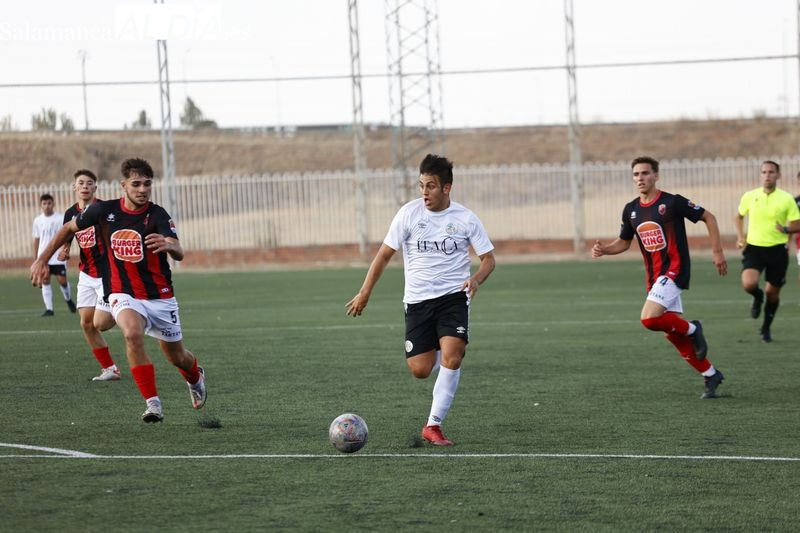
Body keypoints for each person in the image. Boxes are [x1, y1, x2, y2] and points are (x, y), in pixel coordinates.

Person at [31, 158, 206, 423]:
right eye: (136, 184)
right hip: (122, 292)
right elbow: (68, 227)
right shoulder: (104, 211)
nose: (142, 189)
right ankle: (153, 403)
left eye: (147, 184)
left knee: (177, 357)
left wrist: (170, 246)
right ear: (123, 185)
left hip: (160, 297)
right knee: (132, 333)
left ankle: (195, 377)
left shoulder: (157, 214)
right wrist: (42, 259)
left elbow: (179, 250)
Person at [345, 153, 496, 445]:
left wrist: (475, 279)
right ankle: (445, 346)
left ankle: (433, 425)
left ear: (446, 188)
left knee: (453, 355)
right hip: (417, 302)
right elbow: (384, 255)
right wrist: (365, 292)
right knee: (420, 370)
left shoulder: (465, 218)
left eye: (430, 186)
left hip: (454, 297)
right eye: (421, 185)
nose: (424, 192)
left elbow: (489, 259)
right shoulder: (409, 214)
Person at [592, 156, 728, 399]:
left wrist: (717, 252)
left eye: (645, 173)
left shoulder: (672, 202)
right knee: (672, 335)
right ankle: (710, 374)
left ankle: (693, 328)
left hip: (674, 270)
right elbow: (623, 242)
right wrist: (604, 250)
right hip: (655, 277)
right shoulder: (631, 209)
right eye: (636, 174)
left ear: (656, 175)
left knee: (649, 319)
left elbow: (709, 217)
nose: (640, 178)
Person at [59, 169, 120, 382]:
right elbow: (67, 233)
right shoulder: (70, 213)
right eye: (81, 183)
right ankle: (110, 369)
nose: (85, 186)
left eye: (89, 183)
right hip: (86, 273)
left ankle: (128, 313)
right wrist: (65, 248)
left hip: (107, 273)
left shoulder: (104, 210)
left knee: (100, 324)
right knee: (86, 324)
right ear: (75, 187)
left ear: (95, 187)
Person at [734, 160, 800, 343]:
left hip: (777, 251)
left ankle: (766, 328)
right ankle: (757, 296)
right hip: (754, 248)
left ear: (778, 175)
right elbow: (739, 216)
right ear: (760, 175)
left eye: (771, 172)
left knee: (773, 293)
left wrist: (786, 230)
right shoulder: (750, 196)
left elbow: (797, 223)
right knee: (748, 284)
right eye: (763, 172)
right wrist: (741, 237)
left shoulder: (786, 199)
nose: (767, 175)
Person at [32, 193, 77, 317]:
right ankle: (49, 309)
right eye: (44, 204)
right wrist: (36, 258)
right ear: (41, 205)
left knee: (62, 281)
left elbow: (66, 235)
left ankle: (68, 299)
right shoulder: (38, 220)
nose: (47, 206)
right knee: (45, 280)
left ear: (53, 204)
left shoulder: (60, 218)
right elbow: (36, 239)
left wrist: (64, 249)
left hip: (57, 256)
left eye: (49, 203)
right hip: (44, 256)